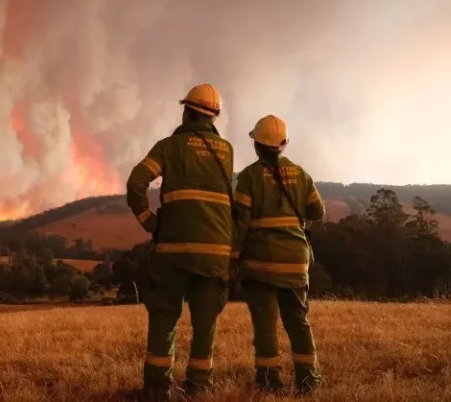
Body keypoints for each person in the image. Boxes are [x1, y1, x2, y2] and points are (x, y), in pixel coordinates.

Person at [126, 83, 235, 400]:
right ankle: (199, 388)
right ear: (213, 117)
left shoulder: (169, 146)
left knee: (164, 317)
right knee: (205, 322)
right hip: (215, 253)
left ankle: (157, 389)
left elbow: (136, 182)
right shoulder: (227, 151)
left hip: (173, 251)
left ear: (187, 112)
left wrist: (150, 221)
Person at [230, 114, 325, 395]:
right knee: (299, 323)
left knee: (265, 327)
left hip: (261, 266)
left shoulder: (248, 177)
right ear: (283, 144)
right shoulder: (301, 174)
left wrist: (232, 258)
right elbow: (317, 211)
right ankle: (308, 381)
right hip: (296, 264)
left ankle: (269, 383)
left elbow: (240, 222)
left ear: (257, 145)